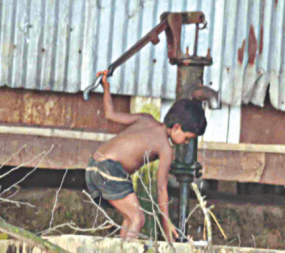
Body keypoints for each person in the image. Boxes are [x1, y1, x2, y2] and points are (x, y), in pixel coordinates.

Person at [86, 70, 207, 242]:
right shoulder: (165, 147)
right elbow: (161, 189)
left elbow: (110, 114)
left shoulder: (145, 119)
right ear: (177, 127)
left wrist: (106, 88)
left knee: (129, 218)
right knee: (138, 218)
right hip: (109, 169)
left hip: (93, 165)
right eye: (187, 138)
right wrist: (167, 226)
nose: (186, 143)